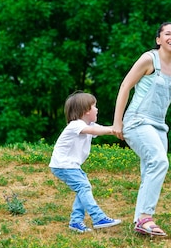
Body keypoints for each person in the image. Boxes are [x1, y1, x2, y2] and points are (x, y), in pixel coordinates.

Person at [113, 22, 171, 237]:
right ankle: (146, 217)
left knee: (150, 170)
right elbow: (125, 86)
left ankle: (139, 222)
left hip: (159, 126)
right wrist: (118, 122)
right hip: (137, 120)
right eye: (167, 34)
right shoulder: (148, 59)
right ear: (158, 39)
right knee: (160, 161)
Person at [49, 91, 124, 233]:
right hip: (64, 165)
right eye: (94, 106)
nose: (97, 109)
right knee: (83, 188)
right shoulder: (76, 125)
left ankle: (76, 221)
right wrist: (114, 130)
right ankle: (98, 217)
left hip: (70, 166)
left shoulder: (88, 125)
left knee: (83, 188)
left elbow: (103, 129)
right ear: (85, 111)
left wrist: (120, 129)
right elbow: (96, 130)